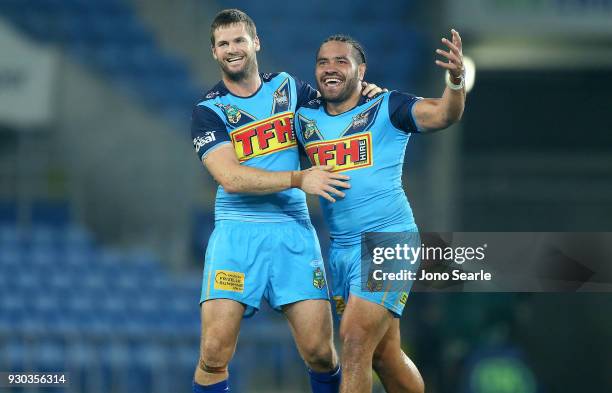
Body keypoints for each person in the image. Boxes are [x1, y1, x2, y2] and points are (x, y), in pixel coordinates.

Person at [190, 9, 383, 393]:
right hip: (237, 235)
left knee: (320, 353)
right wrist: (299, 178)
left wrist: (362, 91)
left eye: (239, 40)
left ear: (255, 43)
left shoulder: (289, 89)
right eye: (223, 43)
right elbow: (229, 177)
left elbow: (333, 111)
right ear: (214, 52)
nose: (232, 49)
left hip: (293, 233)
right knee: (213, 352)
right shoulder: (208, 111)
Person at [294, 31, 466, 393]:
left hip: (390, 240)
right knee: (384, 356)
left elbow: (445, 114)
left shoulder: (387, 106)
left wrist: (455, 80)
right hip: (341, 250)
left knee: (354, 340)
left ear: (361, 70)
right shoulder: (304, 118)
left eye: (342, 60)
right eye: (323, 61)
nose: (330, 68)